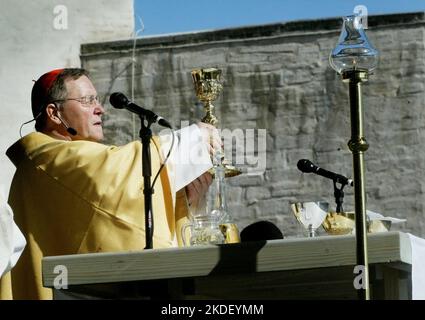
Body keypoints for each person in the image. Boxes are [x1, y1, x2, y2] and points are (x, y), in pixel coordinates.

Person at [0, 68, 220, 300]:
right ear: (54, 113)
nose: (100, 109)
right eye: (87, 100)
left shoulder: (67, 157)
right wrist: (192, 142)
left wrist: (184, 202)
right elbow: (114, 178)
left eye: (97, 99)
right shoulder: (47, 158)